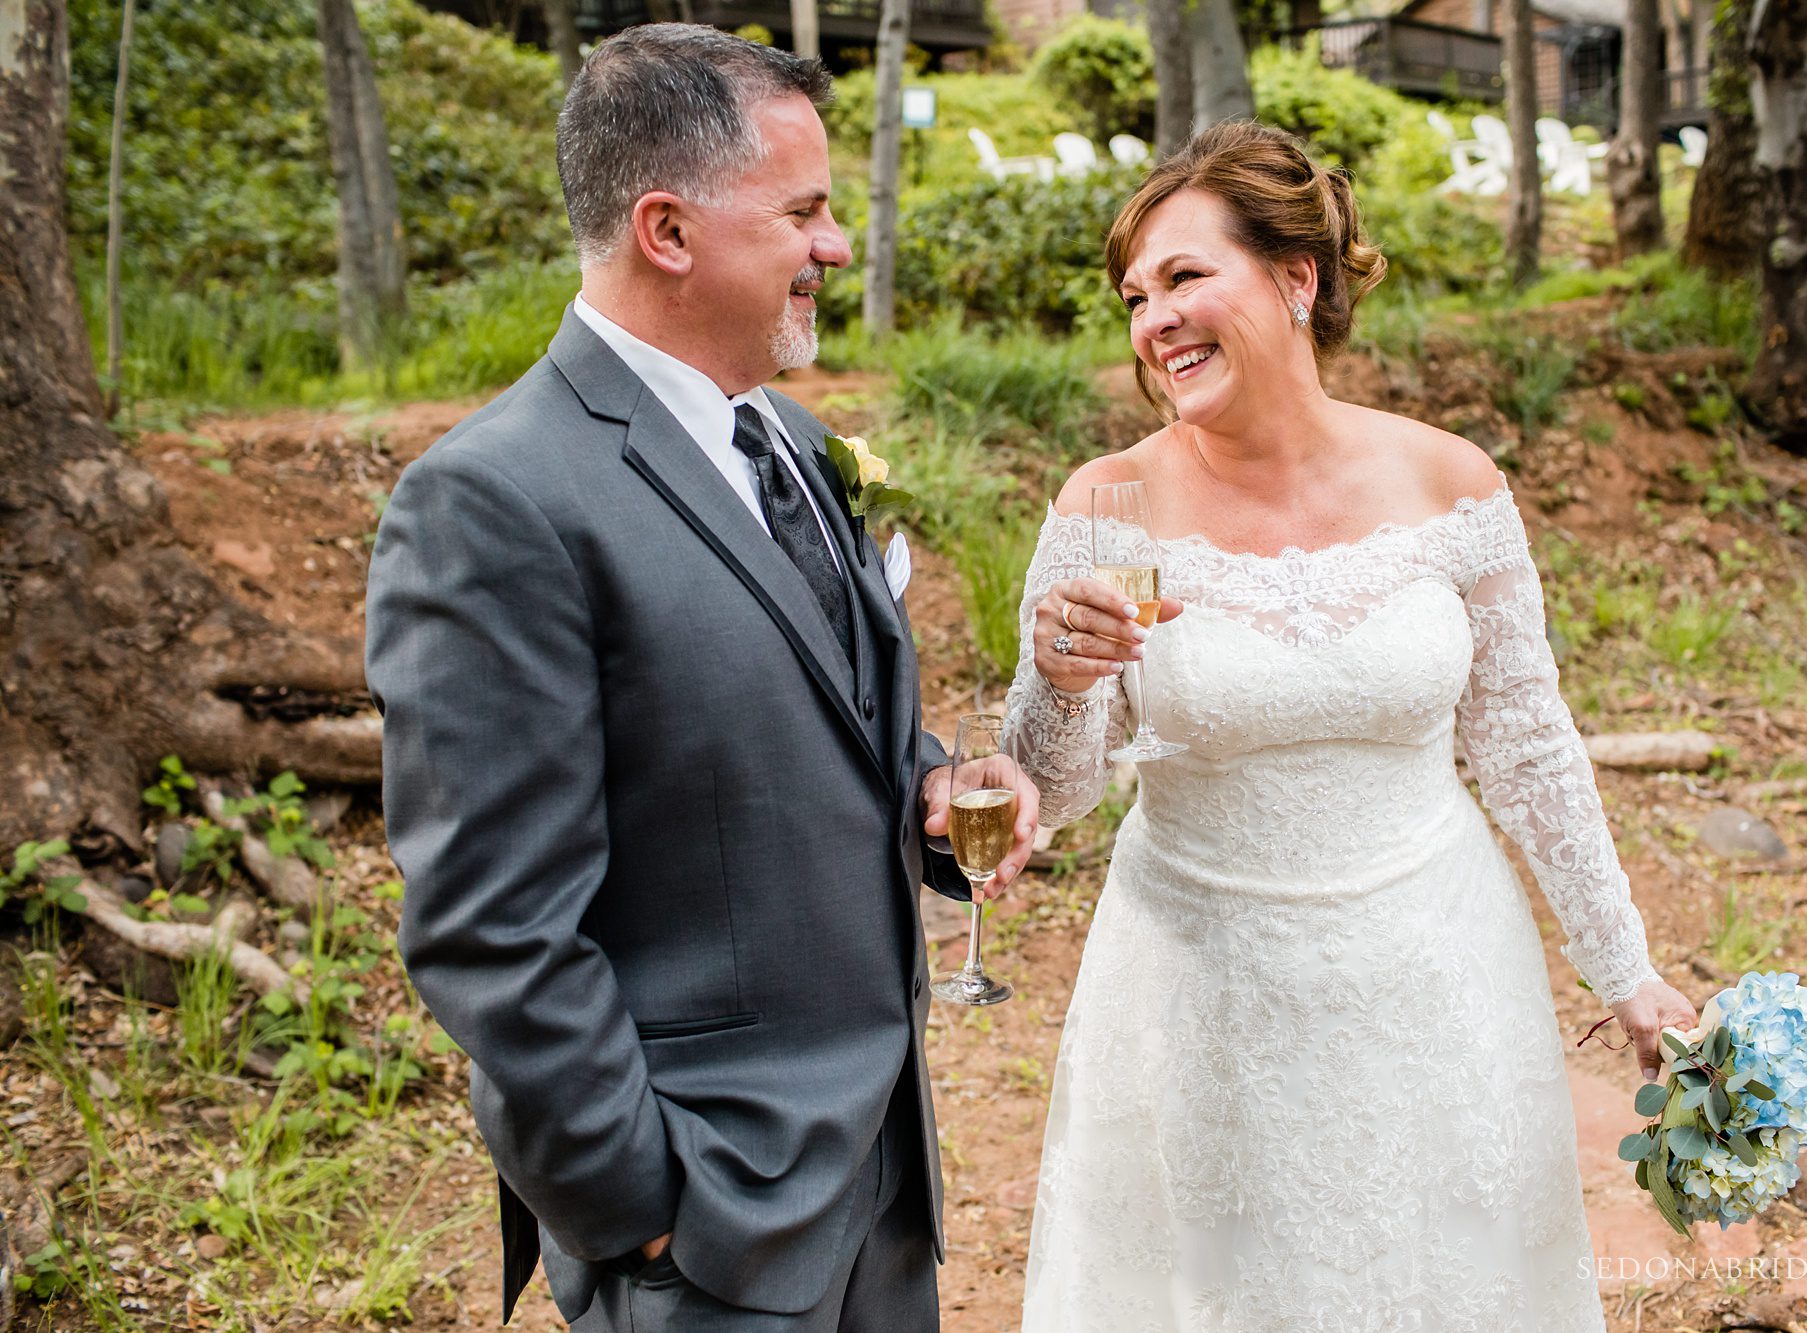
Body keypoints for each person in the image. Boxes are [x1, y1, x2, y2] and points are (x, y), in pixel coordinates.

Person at [365, 25, 1037, 1331]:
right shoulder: (493, 503)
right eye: (804, 211)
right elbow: (494, 932)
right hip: (711, 1235)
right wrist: (649, 1209)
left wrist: (936, 798)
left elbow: (819, 732)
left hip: (884, 1187)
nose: (835, 246)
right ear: (666, 231)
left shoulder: (790, 438)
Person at [1005, 122, 1698, 1330]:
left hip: (1432, 974)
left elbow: (1527, 746)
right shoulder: (1104, 504)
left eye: (1181, 278)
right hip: (1197, 989)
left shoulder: (1452, 485)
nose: (1149, 319)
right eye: (1132, 296)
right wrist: (1059, 679)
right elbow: (1049, 789)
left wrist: (1624, 970)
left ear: (1294, 277)